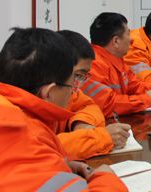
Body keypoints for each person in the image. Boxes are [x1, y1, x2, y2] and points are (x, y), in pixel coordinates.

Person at [0, 28, 126, 191]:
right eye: (72, 82)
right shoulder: (25, 140)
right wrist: (106, 178)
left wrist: (62, 166)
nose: (74, 90)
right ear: (49, 92)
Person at [56, 30, 131, 160]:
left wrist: (81, 122)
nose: (131, 39)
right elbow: (45, 149)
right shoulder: (22, 108)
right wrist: (102, 137)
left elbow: (88, 105)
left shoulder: (70, 89)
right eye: (78, 75)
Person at [81, 12, 151, 117]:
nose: (131, 39)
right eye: (128, 34)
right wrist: (146, 99)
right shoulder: (92, 64)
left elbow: (134, 85)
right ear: (116, 41)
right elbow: (107, 105)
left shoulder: (117, 59)